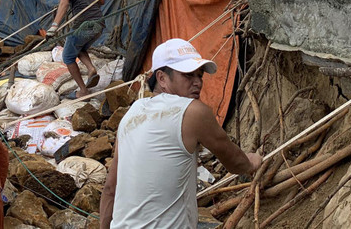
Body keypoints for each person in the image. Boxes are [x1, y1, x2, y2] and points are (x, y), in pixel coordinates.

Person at [100, 39, 261, 228]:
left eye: (200, 75)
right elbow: (235, 162)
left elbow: (110, 188)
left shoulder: (132, 112)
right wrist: (252, 162)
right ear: (162, 78)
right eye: (188, 75)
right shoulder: (193, 111)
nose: (198, 82)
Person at [46, 0, 103, 98]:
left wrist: (54, 26)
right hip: (99, 24)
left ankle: (83, 91)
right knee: (78, 47)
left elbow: (64, 3)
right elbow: (101, 1)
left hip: (84, 25)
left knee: (68, 56)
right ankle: (91, 68)